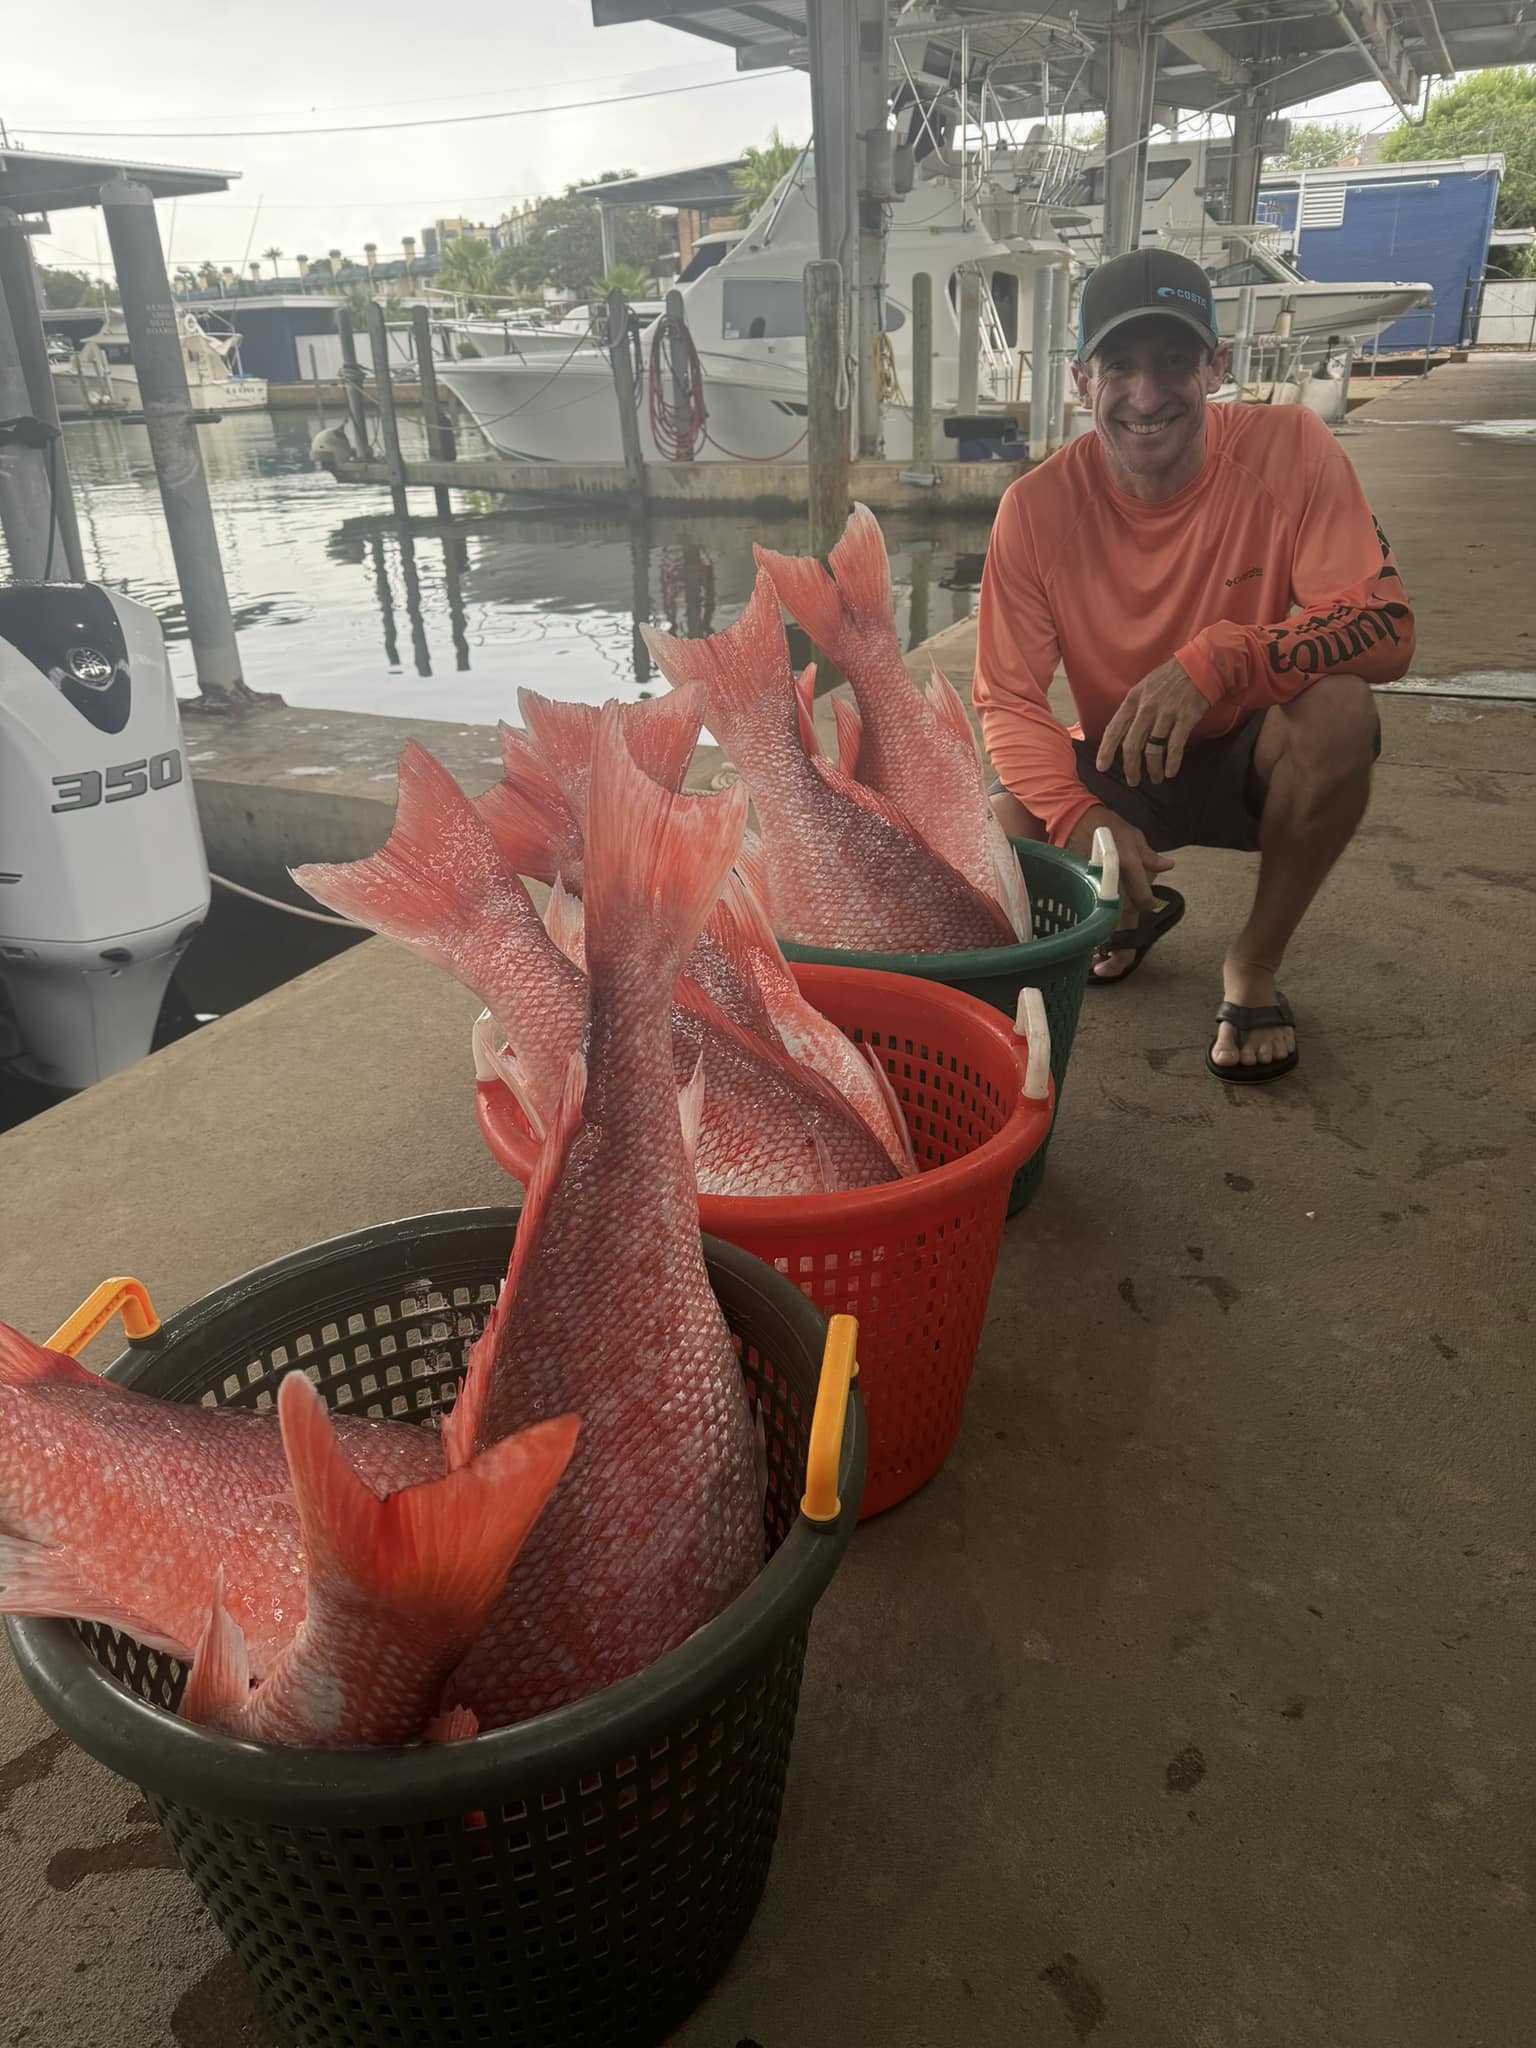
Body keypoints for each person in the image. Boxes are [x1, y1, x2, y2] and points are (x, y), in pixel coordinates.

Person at [973, 248, 1414, 1082]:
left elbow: (1386, 625)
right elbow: (1006, 699)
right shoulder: (1032, 510)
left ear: (1216, 365)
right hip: (1122, 757)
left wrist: (1222, 658)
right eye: (1120, 366)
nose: (1147, 395)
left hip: (1252, 745)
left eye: (1174, 361)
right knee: (995, 835)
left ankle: (1252, 965)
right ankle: (1130, 906)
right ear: (1079, 381)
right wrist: (1080, 819)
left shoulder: (1293, 448)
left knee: (1342, 708)